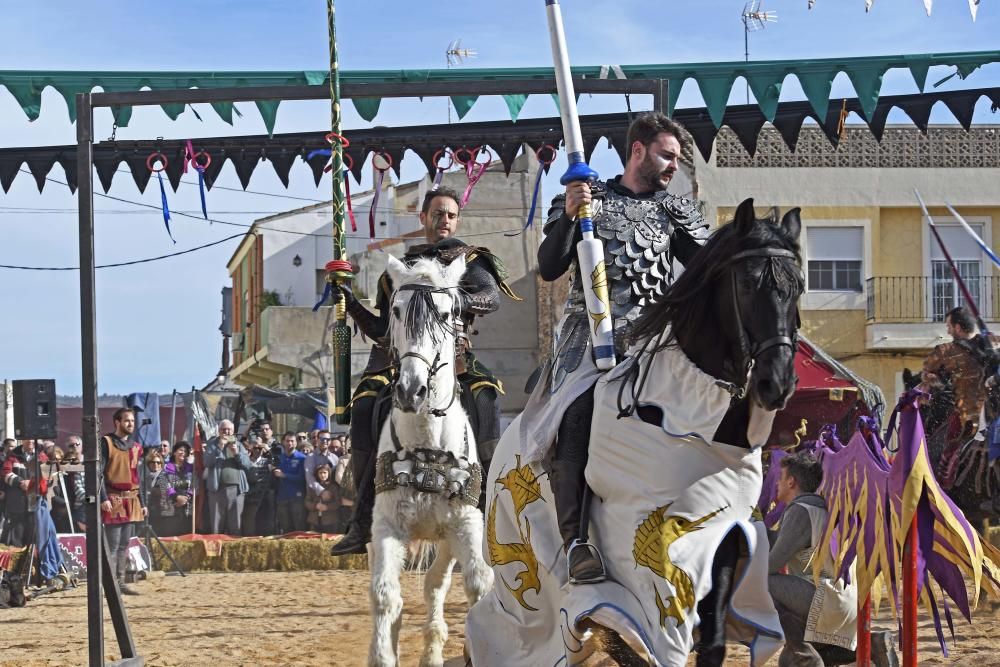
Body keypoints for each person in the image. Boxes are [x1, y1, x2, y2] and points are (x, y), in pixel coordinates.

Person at [526, 112, 709, 583]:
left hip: (652, 341)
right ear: (638, 151)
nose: (673, 166)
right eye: (667, 155)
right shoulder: (589, 199)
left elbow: (709, 268)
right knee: (580, 416)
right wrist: (570, 215)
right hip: (589, 338)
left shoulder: (676, 212)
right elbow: (549, 267)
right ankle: (576, 542)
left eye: (677, 159)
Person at [331, 185, 516, 556]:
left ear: (457, 219)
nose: (443, 220)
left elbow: (491, 298)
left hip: (454, 357)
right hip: (404, 360)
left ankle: (490, 505)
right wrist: (348, 301)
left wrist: (452, 296)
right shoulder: (399, 270)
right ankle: (362, 516)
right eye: (437, 213)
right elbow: (384, 331)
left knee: (485, 398)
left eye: (449, 214)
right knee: (367, 405)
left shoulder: (471, 260)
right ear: (423, 218)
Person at [768, 452, 898, 667]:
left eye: (781, 477)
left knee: (759, 582)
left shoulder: (801, 510)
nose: (777, 483)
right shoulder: (818, 507)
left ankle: (805, 653)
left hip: (824, 598)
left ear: (791, 481)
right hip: (842, 599)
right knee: (788, 661)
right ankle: (873, 645)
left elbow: (773, 563)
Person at [919, 306, 1000, 488]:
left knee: (946, 448)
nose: (947, 330)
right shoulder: (992, 343)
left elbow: (927, 375)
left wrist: (935, 381)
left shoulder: (946, 350)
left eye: (949, 326)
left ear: (957, 327)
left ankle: (944, 488)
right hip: (994, 410)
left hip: (968, 413)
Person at [100, 408, 146, 595]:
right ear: (117, 422)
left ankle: (119, 582)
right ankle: (110, 584)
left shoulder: (135, 447)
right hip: (113, 498)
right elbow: (98, 474)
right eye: (127, 421)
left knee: (123, 545)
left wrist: (143, 503)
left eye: (133, 421)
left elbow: (137, 477)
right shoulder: (107, 443)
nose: (131, 424)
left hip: (131, 500)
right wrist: (103, 498)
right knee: (112, 545)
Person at [204, 419, 252, 535]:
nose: (226, 432)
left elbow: (248, 465)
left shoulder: (239, 445)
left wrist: (237, 454)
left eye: (228, 429)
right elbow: (207, 462)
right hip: (217, 489)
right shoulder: (212, 444)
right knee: (217, 524)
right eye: (223, 429)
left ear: (233, 431)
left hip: (236, 490)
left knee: (235, 524)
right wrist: (219, 447)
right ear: (219, 431)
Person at [1, 439, 48, 547]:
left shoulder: (42, 456)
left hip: (35, 503)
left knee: (33, 539)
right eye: (27, 438)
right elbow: (5, 473)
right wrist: (20, 482)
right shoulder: (13, 455)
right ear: (22, 440)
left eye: (32, 438)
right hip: (17, 504)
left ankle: (32, 563)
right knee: (15, 540)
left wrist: (31, 484)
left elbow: (47, 477)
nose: (30, 441)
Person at [274, 431, 307, 533]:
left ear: (296, 443)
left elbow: (302, 478)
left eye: (292, 441)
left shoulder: (302, 458)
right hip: (282, 498)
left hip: (297, 497)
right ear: (283, 442)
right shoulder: (279, 458)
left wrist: (284, 475)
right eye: (287, 441)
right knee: (285, 529)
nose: (290, 443)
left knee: (299, 528)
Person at [243, 435, 275, 536]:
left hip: (264, 497)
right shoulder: (247, 461)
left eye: (260, 448)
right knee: (249, 524)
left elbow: (277, 464)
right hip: (250, 496)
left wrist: (269, 451)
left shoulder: (267, 461)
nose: (258, 450)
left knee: (265, 523)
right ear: (251, 448)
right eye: (255, 448)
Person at [162, 442, 194, 536]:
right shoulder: (166, 467)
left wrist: (187, 498)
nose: (182, 452)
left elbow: (194, 484)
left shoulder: (191, 468)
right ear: (174, 452)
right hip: (171, 506)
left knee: (185, 535)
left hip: (187, 507)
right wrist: (175, 497)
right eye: (180, 450)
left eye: (185, 451)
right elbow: (163, 483)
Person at [305, 463, 342, 533]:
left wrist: (327, 507)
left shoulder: (333, 487)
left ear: (329, 473)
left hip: (330, 520)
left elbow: (338, 502)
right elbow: (307, 502)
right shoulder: (313, 488)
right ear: (317, 474)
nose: (322, 475)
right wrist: (315, 506)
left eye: (325, 472)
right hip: (314, 520)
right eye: (320, 473)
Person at [305, 429, 339, 499]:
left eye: (328, 439)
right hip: (315, 496)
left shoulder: (335, 458)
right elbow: (309, 477)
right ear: (317, 440)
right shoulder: (311, 457)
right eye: (322, 439)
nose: (325, 441)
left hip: (332, 495)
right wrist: (322, 491)